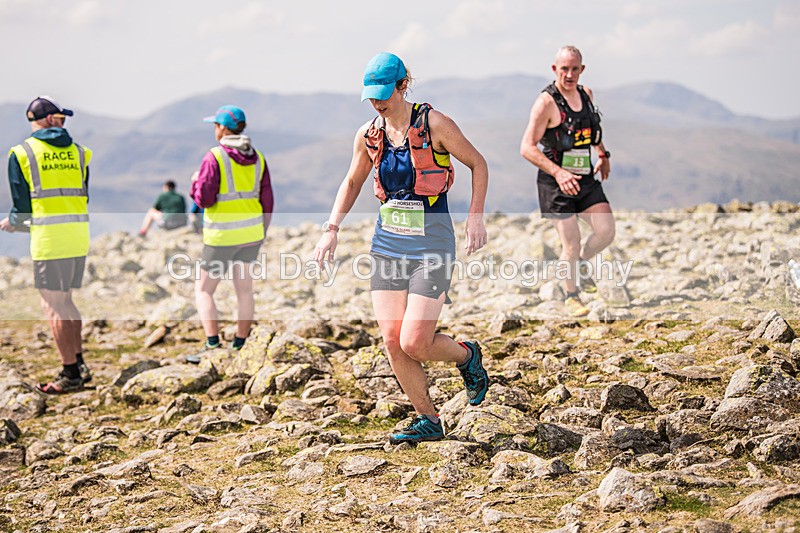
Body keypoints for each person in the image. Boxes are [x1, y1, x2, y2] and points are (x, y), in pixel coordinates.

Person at [313, 52, 490, 444]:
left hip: (433, 242)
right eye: (370, 95)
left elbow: (478, 164)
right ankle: (429, 419)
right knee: (392, 340)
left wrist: (475, 215)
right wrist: (332, 228)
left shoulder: (435, 124)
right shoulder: (368, 135)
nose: (377, 102)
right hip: (388, 244)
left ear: (402, 86)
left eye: (383, 94)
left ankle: (467, 356)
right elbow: (353, 181)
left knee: (416, 341)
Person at [0, 96, 92, 393]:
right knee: (65, 300)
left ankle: (69, 375)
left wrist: (13, 223)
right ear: (49, 119)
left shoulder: (22, 152)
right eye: (61, 118)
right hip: (77, 236)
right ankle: (78, 364)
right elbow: (81, 194)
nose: (64, 123)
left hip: (50, 241)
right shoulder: (80, 153)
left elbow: (22, 204)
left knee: (52, 305)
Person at [520, 46, 615, 317]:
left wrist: (602, 153)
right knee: (571, 243)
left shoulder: (586, 95)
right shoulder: (546, 103)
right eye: (564, 69)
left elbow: (591, 131)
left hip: (584, 177)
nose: (570, 74)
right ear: (554, 69)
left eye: (575, 69)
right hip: (555, 182)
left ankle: (581, 266)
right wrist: (559, 173)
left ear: (582, 70)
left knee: (606, 231)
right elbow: (527, 147)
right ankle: (571, 295)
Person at [186, 105, 273, 363]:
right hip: (251, 235)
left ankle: (212, 345)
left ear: (223, 128)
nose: (214, 129)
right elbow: (267, 200)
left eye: (215, 125)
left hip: (221, 238)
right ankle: (240, 343)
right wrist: (261, 232)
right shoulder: (258, 157)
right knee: (244, 290)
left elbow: (204, 198)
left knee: (203, 290)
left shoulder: (214, 157)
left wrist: (194, 185)